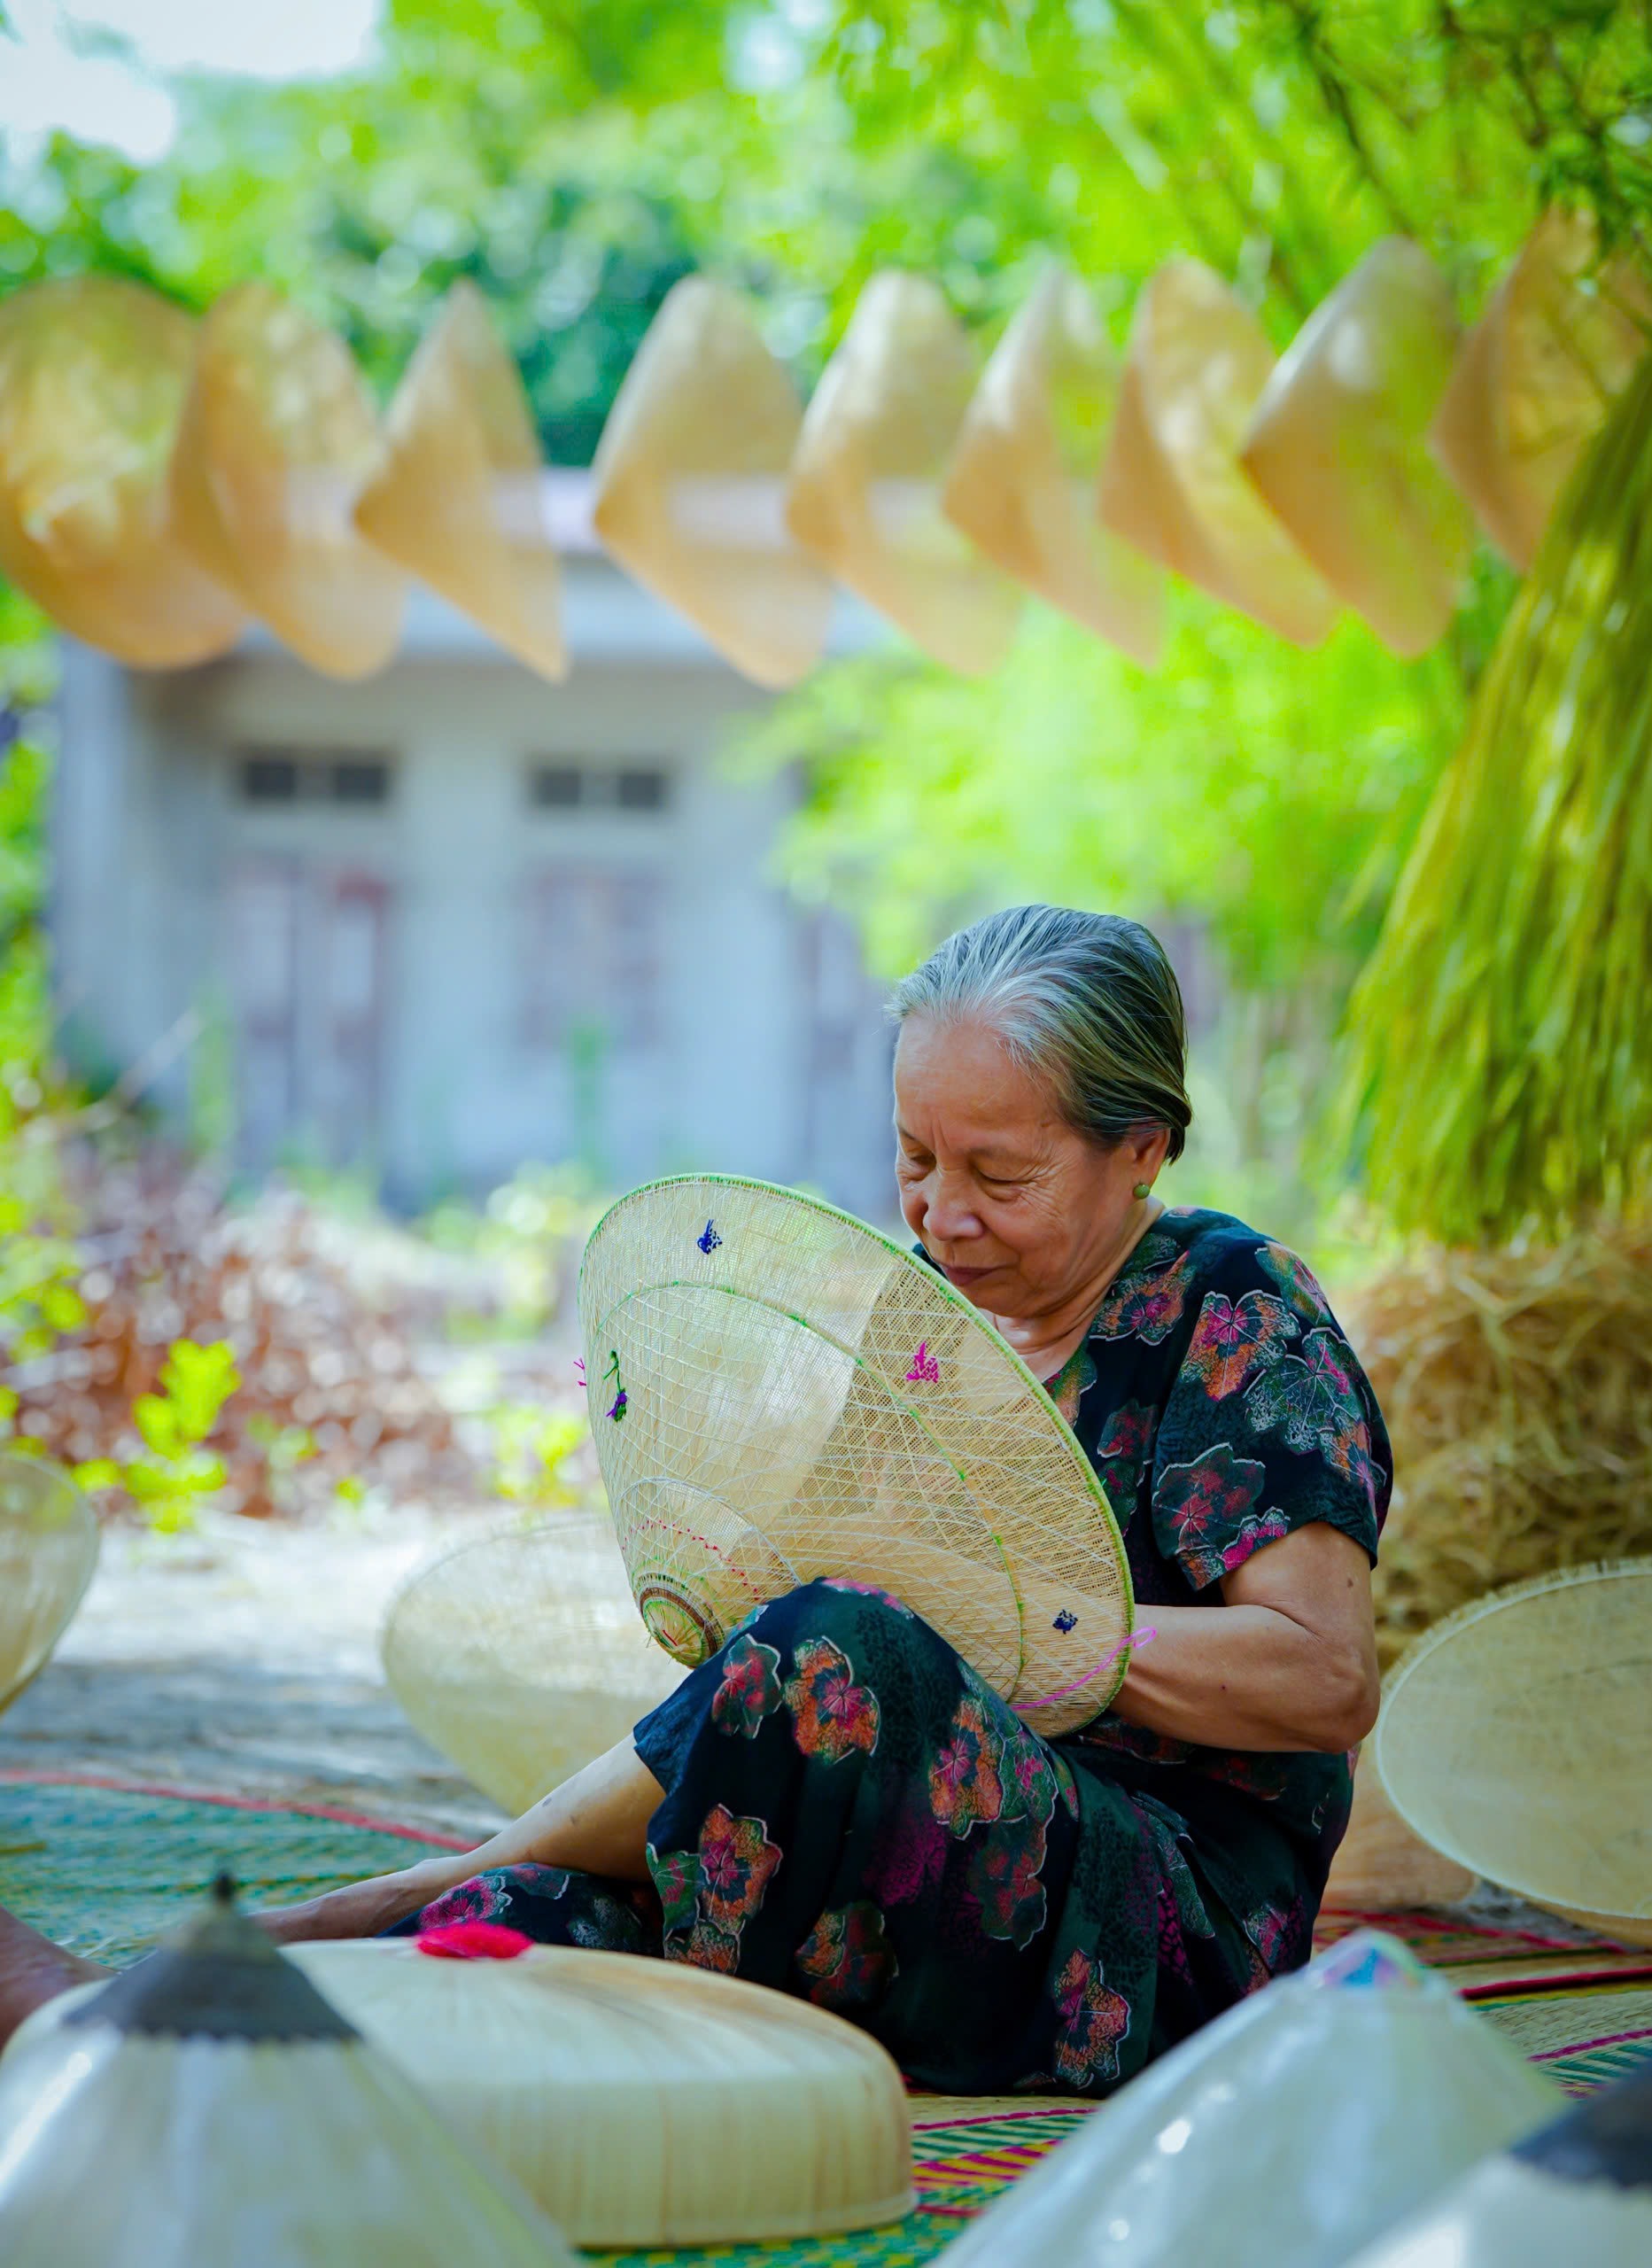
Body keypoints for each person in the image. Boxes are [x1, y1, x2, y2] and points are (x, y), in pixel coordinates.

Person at [0, 907, 1388, 2092]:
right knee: (534, 1919)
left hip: (1146, 1926)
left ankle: (381, 1900)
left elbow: (1320, 1682)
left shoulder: (1234, 1315)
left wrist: (1007, 1629)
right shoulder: (933, 1326)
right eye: (912, 1158)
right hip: (900, 1849)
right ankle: (207, 2043)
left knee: (846, 1650)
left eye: (1000, 1177)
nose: (939, 1214)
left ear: (1140, 1148)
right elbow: (813, 1621)